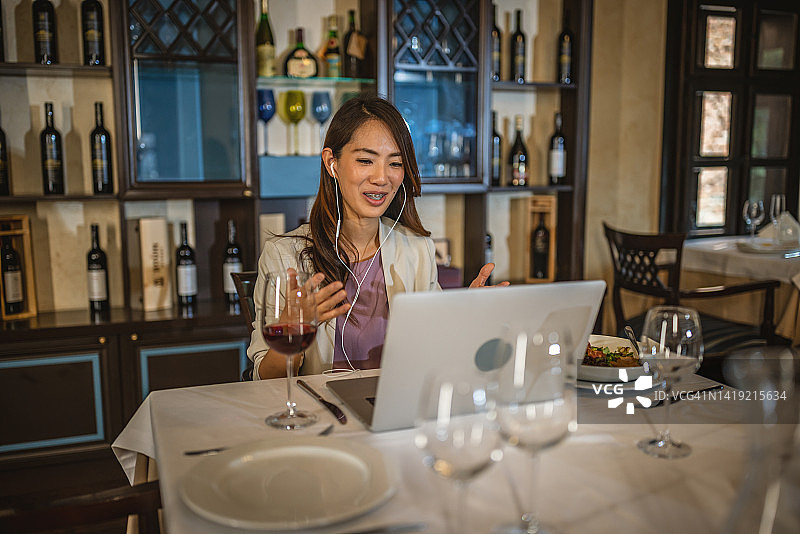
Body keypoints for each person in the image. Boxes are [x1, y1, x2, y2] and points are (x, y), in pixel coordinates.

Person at [248, 94, 507, 380]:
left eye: (394, 164)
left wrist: (464, 317)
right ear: (332, 163)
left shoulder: (417, 249)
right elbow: (265, 381)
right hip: (320, 416)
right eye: (365, 160)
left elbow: (433, 355)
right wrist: (292, 333)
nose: (382, 178)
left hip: (396, 414)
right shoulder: (283, 256)